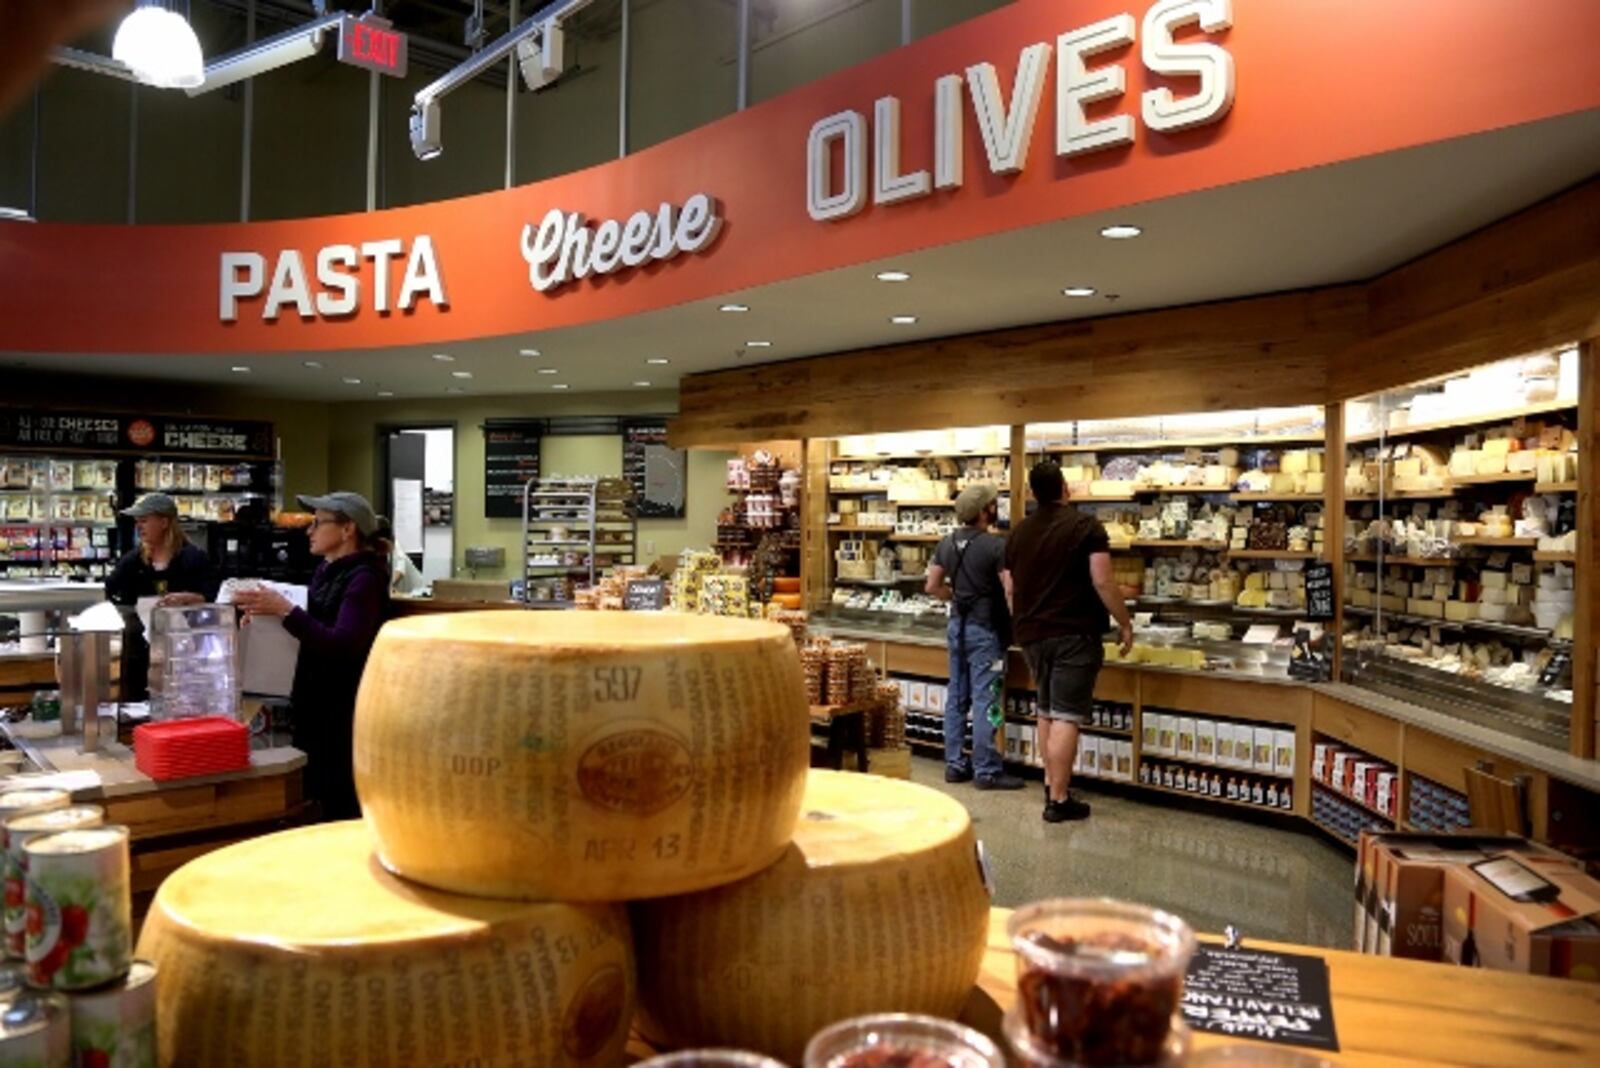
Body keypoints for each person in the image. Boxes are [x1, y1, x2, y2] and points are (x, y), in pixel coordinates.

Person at [233, 492, 390, 820]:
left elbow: (343, 643)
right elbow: (312, 626)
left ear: (348, 530)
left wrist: (286, 611)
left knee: (338, 802)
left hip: (342, 709)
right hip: (314, 702)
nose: (309, 530)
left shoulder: (365, 579)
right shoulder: (325, 571)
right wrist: (266, 619)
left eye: (318, 523)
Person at [1006, 462, 1134, 822]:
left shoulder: (1018, 533)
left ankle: (1051, 783)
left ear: (1032, 493)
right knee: (1065, 715)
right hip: (1073, 634)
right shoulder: (1085, 526)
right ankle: (1059, 800)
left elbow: (1011, 588)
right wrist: (1124, 623)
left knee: (1045, 710)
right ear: (1065, 488)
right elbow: (1103, 581)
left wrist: (1022, 622)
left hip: (1032, 634)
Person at [924, 484, 1022, 791]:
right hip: (985, 631)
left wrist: (954, 596)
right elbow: (1010, 589)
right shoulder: (995, 546)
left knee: (957, 696)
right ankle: (987, 770)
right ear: (984, 512)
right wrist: (1017, 620)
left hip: (957, 626)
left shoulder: (946, 543)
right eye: (992, 504)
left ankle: (954, 764)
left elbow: (932, 586)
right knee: (985, 699)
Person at [105, 493, 220, 700]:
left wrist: (190, 598)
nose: (139, 527)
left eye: (144, 521)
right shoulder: (133, 560)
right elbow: (108, 589)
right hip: (140, 652)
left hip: (185, 654)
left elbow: (215, 598)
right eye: (137, 522)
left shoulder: (194, 558)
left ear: (165, 522)